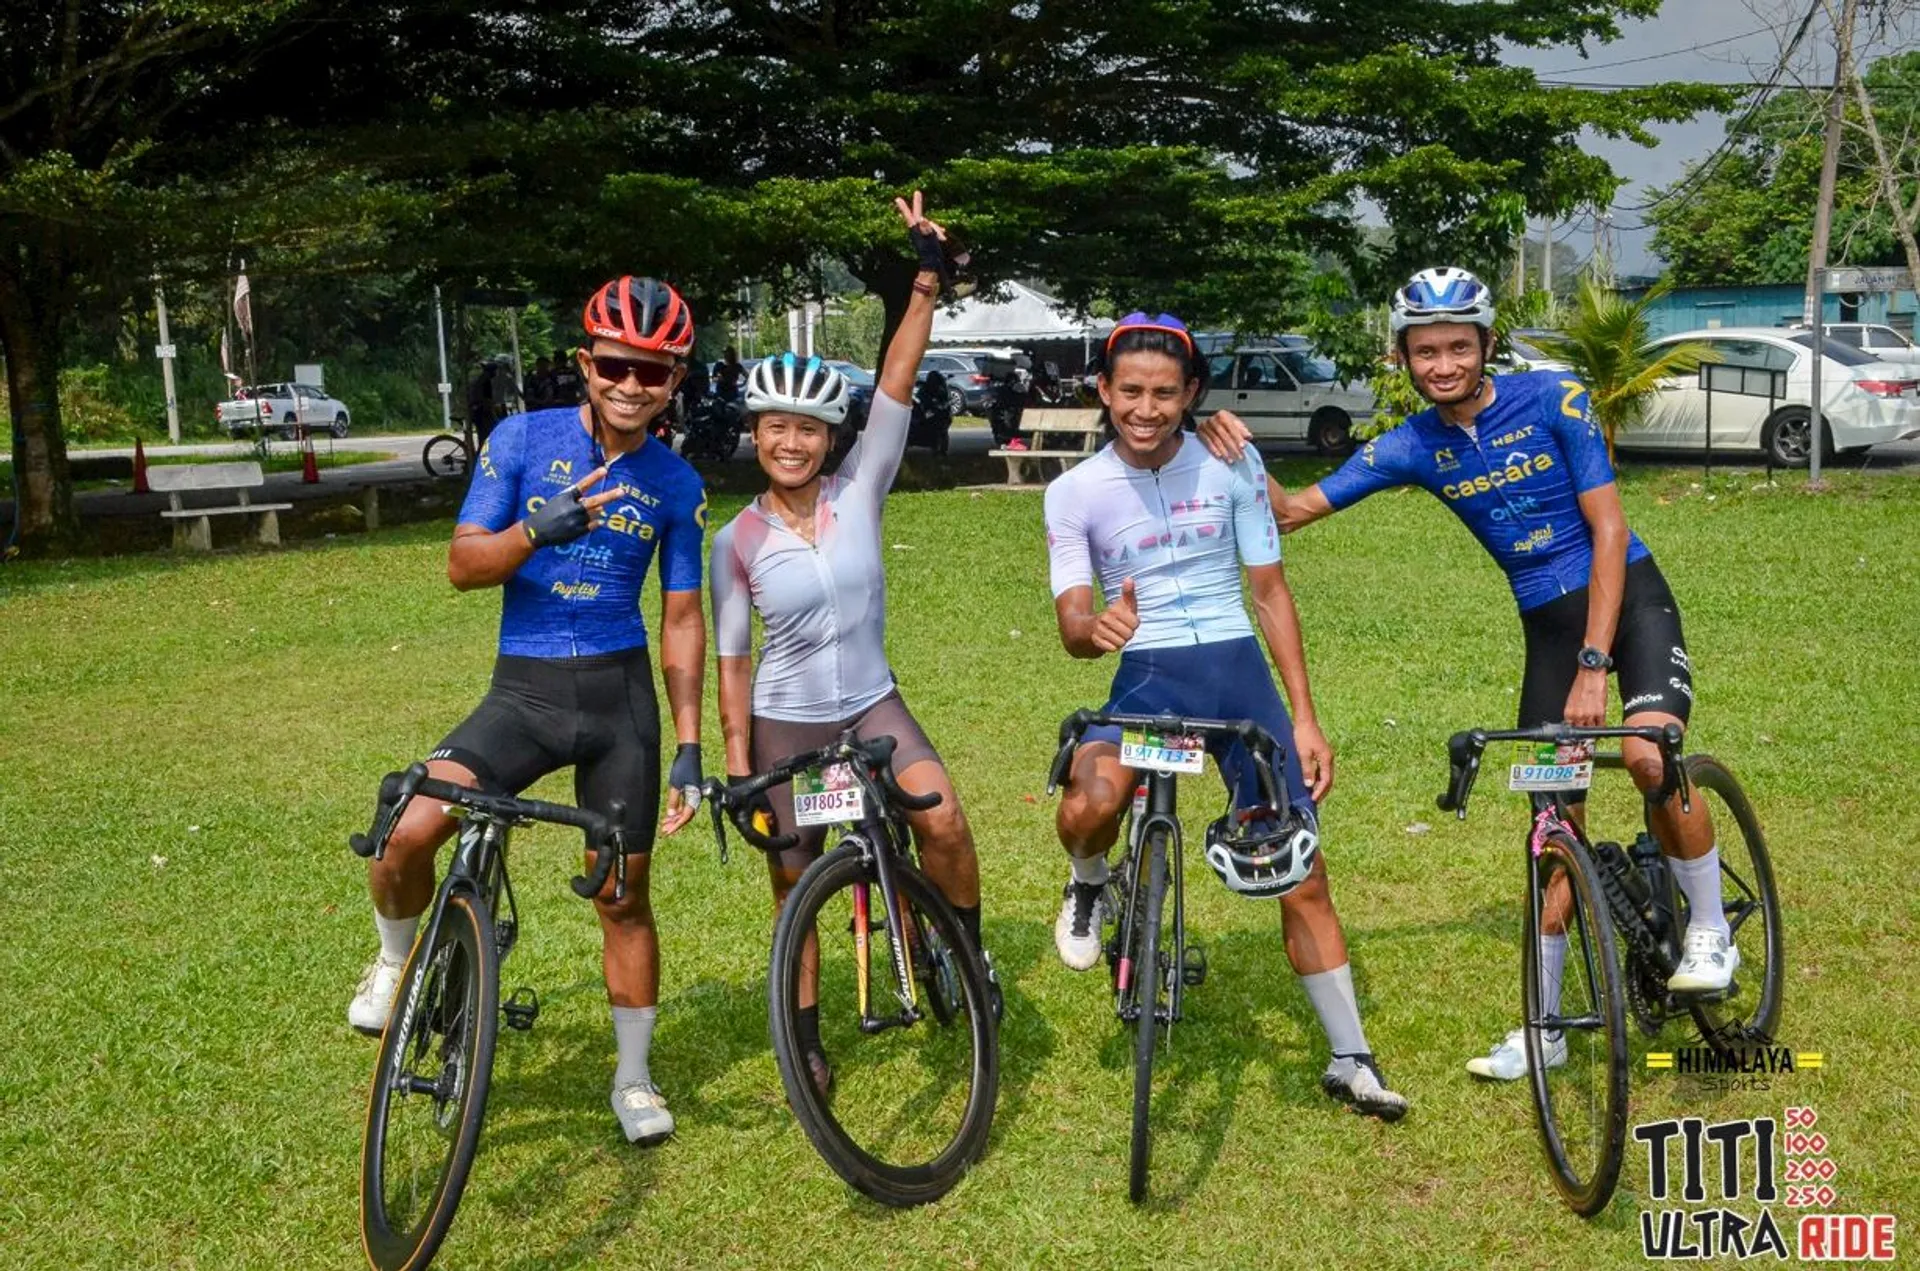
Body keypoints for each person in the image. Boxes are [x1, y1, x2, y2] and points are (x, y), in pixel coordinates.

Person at [1197, 266, 1728, 1082]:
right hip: (1545, 628)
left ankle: (1708, 929)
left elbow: (1611, 532)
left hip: (1627, 604)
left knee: (1654, 756)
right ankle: (1546, 1025)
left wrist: (1596, 664)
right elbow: (1293, 510)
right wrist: (1240, 454)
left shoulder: (1557, 398)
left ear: (1484, 344)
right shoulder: (1414, 444)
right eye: (1424, 351)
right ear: (1403, 357)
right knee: (1553, 829)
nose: (1441, 363)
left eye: (1456, 346)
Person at [348, 276, 710, 1145]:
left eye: (653, 372)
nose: (631, 385)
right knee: (406, 828)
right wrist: (533, 534)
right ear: (586, 364)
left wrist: (690, 744)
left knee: (623, 896)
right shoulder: (521, 439)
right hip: (522, 694)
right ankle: (397, 961)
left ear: (675, 382)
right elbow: (462, 564)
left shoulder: (676, 481)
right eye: (616, 364)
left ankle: (632, 1078)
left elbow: (684, 617)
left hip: (618, 703)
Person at [1043, 311, 1408, 1121]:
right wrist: (1092, 629)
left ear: (1193, 393)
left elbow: (1271, 592)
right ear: (1104, 391)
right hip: (1147, 674)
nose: (1147, 408)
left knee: (1301, 868)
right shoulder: (1073, 491)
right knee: (1092, 800)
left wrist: (1305, 719)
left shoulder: (1231, 460)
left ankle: (1351, 1057)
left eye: (1165, 393)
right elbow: (1073, 614)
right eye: (1130, 391)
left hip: (1239, 674)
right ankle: (1089, 882)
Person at [709, 192, 993, 1097]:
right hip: (785, 719)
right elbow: (731, 658)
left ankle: (967, 959)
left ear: (831, 437)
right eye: (775, 428)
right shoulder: (735, 541)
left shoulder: (859, 488)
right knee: (796, 885)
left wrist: (924, 280)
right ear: (755, 435)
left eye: (808, 430)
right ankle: (806, 1037)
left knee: (940, 817)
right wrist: (735, 760)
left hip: (871, 699)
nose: (791, 443)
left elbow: (901, 375)